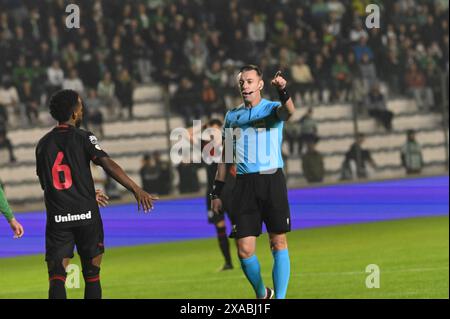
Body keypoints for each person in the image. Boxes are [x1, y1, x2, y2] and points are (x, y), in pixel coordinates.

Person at [35, 89, 158, 299]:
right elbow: (106, 163)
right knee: (92, 276)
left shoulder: (42, 145)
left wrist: (86, 193)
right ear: (74, 113)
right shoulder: (84, 137)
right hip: (87, 217)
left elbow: (49, 184)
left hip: (58, 219)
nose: (82, 111)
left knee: (57, 277)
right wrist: (136, 189)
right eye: (81, 107)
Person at [211, 65, 296, 299]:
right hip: (244, 185)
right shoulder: (232, 116)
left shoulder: (271, 109)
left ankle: (278, 298)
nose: (245, 86)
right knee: (244, 250)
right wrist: (215, 193)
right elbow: (225, 156)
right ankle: (262, 293)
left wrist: (283, 90)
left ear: (259, 84)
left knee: (278, 242)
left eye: (249, 81)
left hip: (272, 181)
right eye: (242, 82)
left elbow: (289, 112)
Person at [203, 119, 235, 271]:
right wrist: (203, 127)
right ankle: (228, 262)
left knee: (237, 227)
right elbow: (187, 135)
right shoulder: (205, 150)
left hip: (230, 192)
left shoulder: (228, 147)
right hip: (213, 195)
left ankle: (245, 258)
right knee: (220, 227)